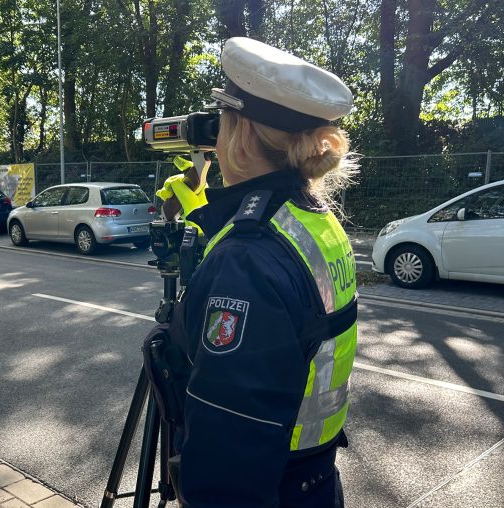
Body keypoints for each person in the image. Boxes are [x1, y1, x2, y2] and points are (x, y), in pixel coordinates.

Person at [158, 37, 359, 507]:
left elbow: (230, 456)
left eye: (222, 123)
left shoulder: (247, 256)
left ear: (242, 134)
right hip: (315, 479)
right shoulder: (313, 218)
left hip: (273, 490)